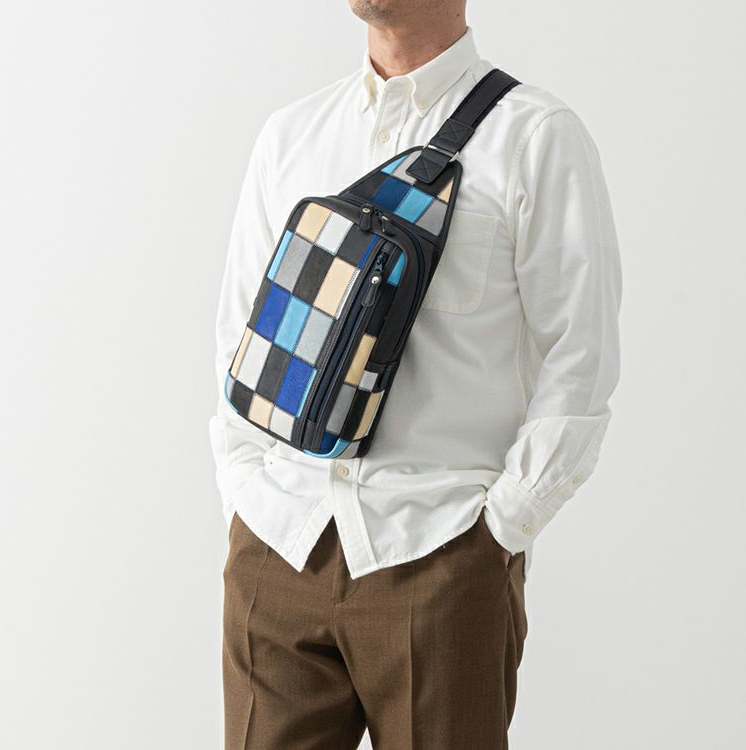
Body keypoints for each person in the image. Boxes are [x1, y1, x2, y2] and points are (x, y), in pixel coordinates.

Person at [209, 1, 622, 747]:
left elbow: (580, 358)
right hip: (280, 543)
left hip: (439, 553)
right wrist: (244, 489)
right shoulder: (292, 135)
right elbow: (239, 339)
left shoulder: (535, 136)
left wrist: (500, 532)